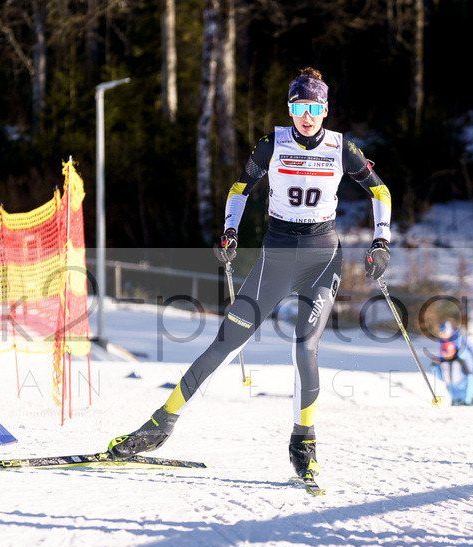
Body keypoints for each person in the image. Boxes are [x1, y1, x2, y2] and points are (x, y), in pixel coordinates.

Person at [107, 67, 392, 481]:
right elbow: (240, 188)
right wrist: (229, 231)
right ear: (290, 108)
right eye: (299, 106)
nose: (306, 115)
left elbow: (380, 190)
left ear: (325, 109)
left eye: (314, 107)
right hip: (276, 256)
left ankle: (304, 442)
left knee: (304, 349)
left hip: (321, 259)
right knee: (225, 341)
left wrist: (381, 240)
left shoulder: (341, 148)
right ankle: (160, 423)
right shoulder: (271, 144)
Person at [431, 320, 473, 406]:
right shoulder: (442, 341)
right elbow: (442, 353)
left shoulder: (458, 337)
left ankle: (468, 400)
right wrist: (439, 363)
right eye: (441, 333)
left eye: (445, 332)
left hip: (463, 361)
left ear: (450, 331)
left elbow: (471, 348)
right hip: (450, 364)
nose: (443, 335)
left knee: (466, 381)